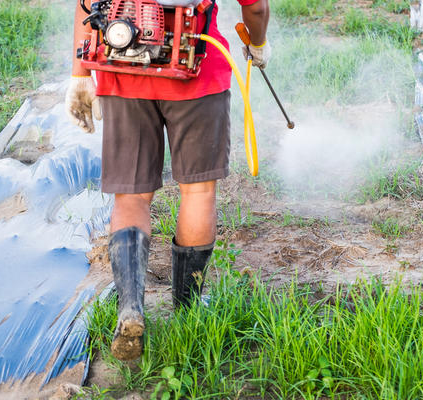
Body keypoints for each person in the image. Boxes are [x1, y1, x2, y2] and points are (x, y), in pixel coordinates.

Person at [66, 0, 270, 361]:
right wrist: (258, 43)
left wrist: (79, 74)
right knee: (198, 192)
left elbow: (87, 5)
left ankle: (130, 307)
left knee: (130, 197)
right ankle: (188, 309)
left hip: (122, 68)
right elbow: (256, 6)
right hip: (196, 71)